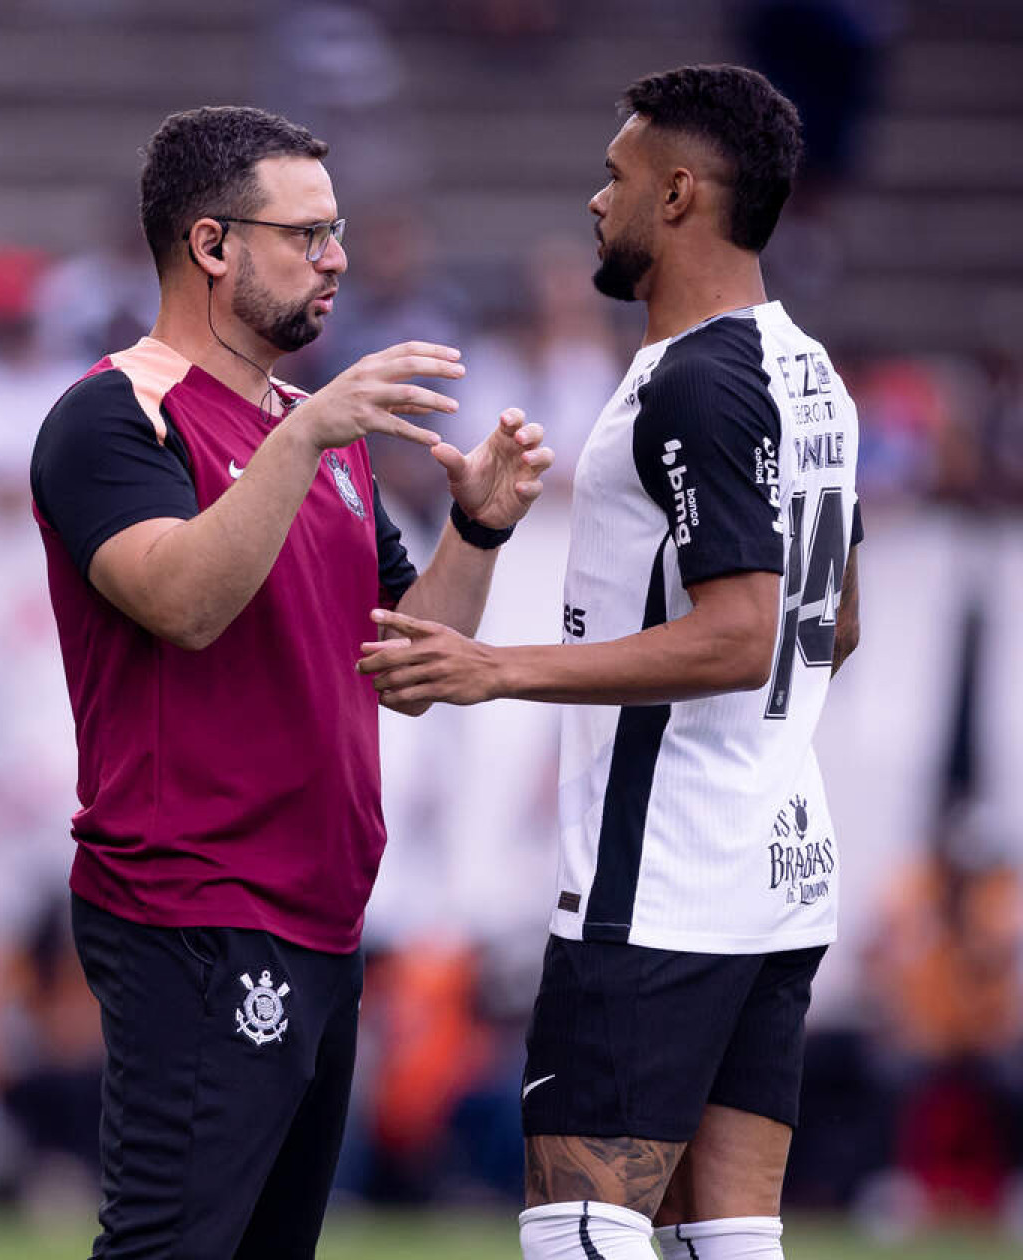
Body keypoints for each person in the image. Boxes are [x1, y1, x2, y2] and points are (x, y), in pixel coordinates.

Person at [29, 105, 552, 1259]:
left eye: (337, 231)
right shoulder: (114, 413)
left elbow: (413, 665)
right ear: (212, 245)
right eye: (307, 234)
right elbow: (183, 601)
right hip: (194, 907)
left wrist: (477, 528)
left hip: (321, 914)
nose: (337, 260)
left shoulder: (318, 434)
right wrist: (302, 438)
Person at [358, 65, 863, 1260]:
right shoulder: (809, 371)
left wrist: (498, 668)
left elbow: (744, 632)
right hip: (779, 862)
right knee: (726, 1234)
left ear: (679, 194)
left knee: (577, 1228)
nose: (596, 200)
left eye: (617, 176)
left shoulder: (696, 382)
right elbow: (833, 624)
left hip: (662, 879)